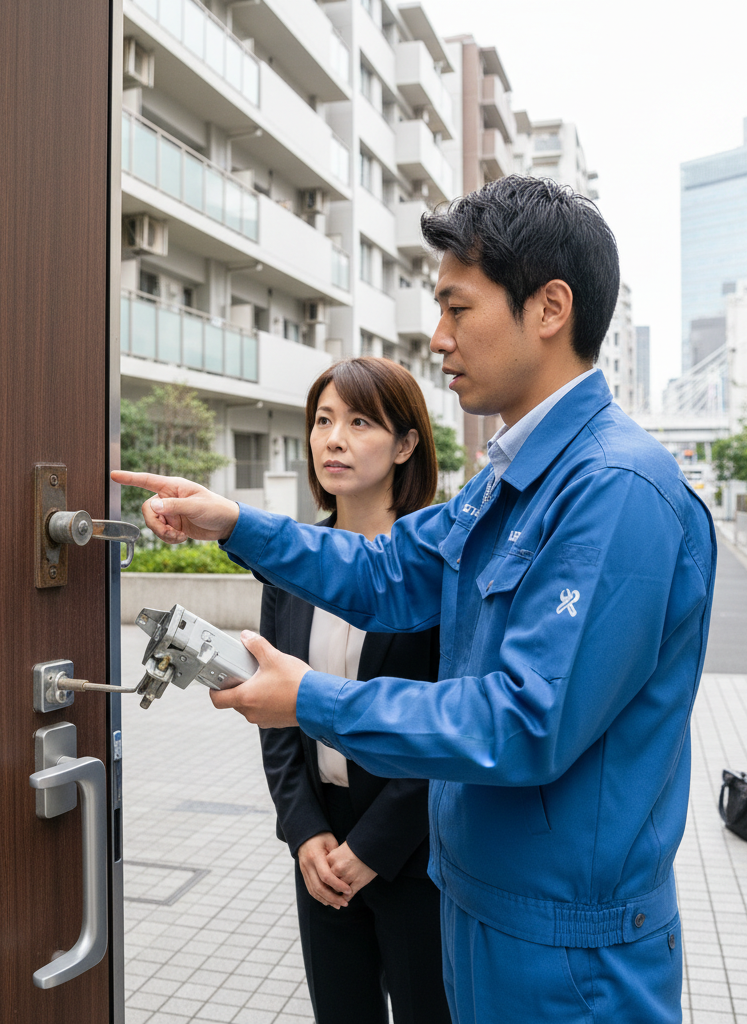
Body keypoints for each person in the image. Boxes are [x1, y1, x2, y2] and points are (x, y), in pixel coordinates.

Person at [113, 175, 717, 1024]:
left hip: (566, 954)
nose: (437, 339)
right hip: (478, 906)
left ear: (549, 308)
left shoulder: (614, 489)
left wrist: (311, 699)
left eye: (457, 309)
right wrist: (234, 521)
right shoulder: (512, 478)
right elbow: (388, 575)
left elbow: (523, 721)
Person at [259, 356, 450, 1024]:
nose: (332, 438)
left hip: (414, 850)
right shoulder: (291, 560)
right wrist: (304, 831)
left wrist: (371, 849)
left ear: (405, 444)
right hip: (320, 843)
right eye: (322, 420)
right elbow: (278, 712)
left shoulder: (437, 566)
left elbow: (447, 720)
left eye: (360, 421)